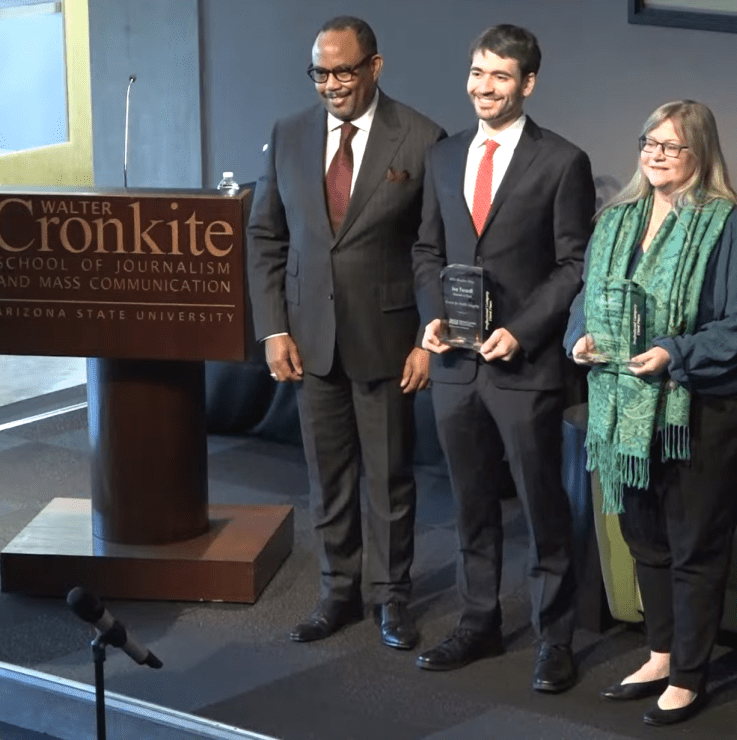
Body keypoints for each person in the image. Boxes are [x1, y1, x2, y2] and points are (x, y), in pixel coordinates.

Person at [565, 100, 737, 726]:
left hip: (699, 411)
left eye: (671, 146)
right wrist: (579, 337)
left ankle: (689, 673)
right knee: (645, 539)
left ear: (701, 154)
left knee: (693, 546)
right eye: (649, 143)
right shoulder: (617, 218)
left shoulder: (730, 225)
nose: (655, 155)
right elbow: (586, 298)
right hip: (625, 407)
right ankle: (659, 653)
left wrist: (673, 352)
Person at [246, 16, 445, 651]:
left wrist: (426, 338)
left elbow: (431, 247)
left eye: (344, 71)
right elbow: (265, 237)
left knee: (388, 478)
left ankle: (391, 599)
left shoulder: (420, 138)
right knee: (327, 476)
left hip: (388, 341)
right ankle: (338, 591)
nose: (331, 84)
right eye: (320, 72)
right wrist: (273, 327)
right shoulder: (288, 134)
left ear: (375, 66)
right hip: (308, 339)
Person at [411, 24, 595, 693]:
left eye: (498, 76)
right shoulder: (443, 155)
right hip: (456, 366)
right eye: (476, 73)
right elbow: (427, 250)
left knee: (544, 507)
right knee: (469, 503)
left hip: (524, 367)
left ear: (528, 83)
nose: (483, 87)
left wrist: (521, 330)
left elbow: (575, 261)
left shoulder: (562, 161)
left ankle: (554, 639)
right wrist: (433, 312)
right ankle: (478, 620)